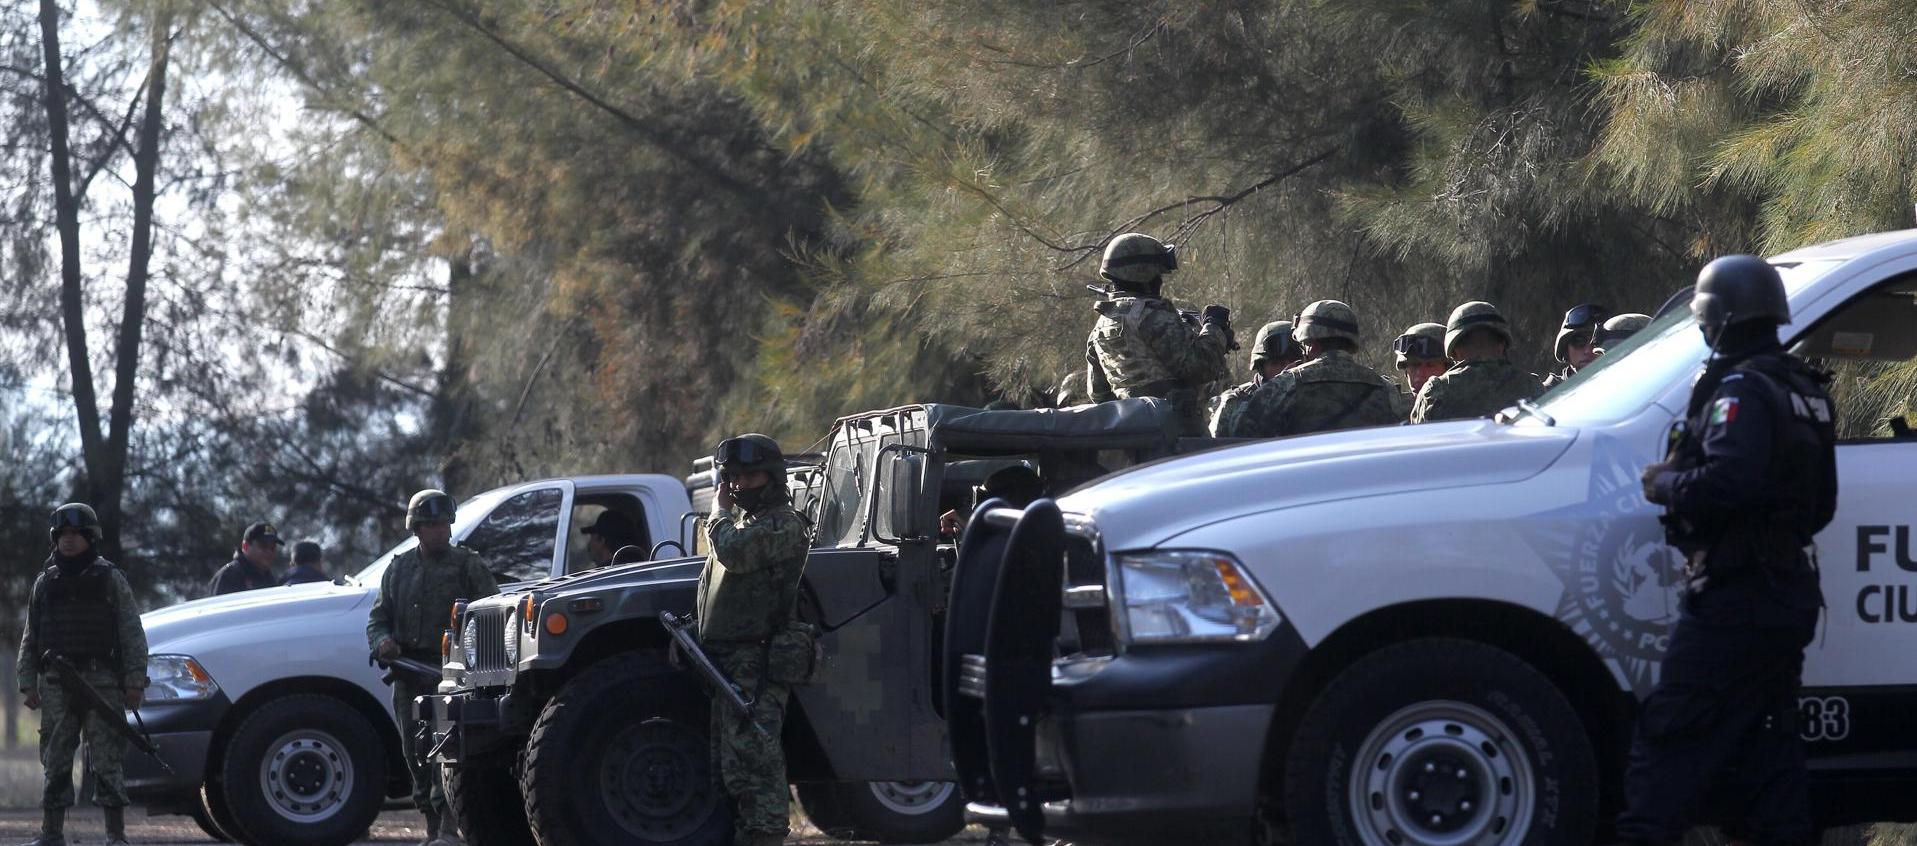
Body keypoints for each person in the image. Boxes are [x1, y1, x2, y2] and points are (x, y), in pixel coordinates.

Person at [1615, 256, 1836, 846]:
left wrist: (1663, 485)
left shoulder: (1740, 389)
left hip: (1736, 596)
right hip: (1788, 592)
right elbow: (1822, 506)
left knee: (1668, 741)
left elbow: (1726, 484)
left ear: (1717, 317)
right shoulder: (1803, 389)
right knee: (1771, 750)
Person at [696, 435, 812, 846]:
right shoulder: (743, 525)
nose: (742, 484)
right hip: (727, 663)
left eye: (751, 474)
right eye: (734, 477)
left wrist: (718, 512)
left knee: (754, 769)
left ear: (773, 476)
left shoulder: (783, 524)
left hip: (757, 663)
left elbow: (733, 553)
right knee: (728, 771)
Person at [367, 490, 498, 846]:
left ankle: (448, 828)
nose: (440, 531)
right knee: (414, 752)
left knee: (448, 749)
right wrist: (382, 642)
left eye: (444, 524)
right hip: (408, 674)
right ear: (417, 528)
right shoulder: (398, 570)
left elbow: (491, 613)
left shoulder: (467, 565)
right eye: (432, 525)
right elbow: (378, 619)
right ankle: (429, 825)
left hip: (451, 674)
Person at [16, 503, 149, 846]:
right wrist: (27, 682)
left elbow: (132, 633)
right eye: (63, 535)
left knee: (107, 759)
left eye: (76, 534)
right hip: (57, 683)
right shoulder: (45, 583)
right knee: (56, 757)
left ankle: (115, 834)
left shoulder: (110, 579)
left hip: (101, 681)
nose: (70, 541)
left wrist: (134, 682)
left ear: (90, 537)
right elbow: (31, 636)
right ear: (55, 539)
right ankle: (51, 833)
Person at [1084, 232, 1233, 436]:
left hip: (1133, 436)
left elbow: (1098, 393)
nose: (1160, 282)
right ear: (1144, 276)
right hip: (1178, 433)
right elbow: (1198, 367)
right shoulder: (1152, 316)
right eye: (1158, 276)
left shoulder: (1100, 326)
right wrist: (1213, 328)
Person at [1224, 300, 1398, 438]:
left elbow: (1239, 434)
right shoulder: (1385, 388)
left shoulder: (1287, 384)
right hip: (1365, 480)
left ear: (1309, 345)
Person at [1410, 301, 1542, 423]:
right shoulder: (1532, 386)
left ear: (1455, 350)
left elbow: (1420, 441)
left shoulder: (1435, 392)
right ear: (1502, 345)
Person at [1209, 320, 1305, 437]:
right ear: (1261, 367)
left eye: (1293, 361)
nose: (1287, 369)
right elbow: (1215, 450)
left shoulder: (1315, 395)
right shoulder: (1234, 403)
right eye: (1277, 363)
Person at [1390, 322, 1449, 417]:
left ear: (1447, 369)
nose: (1421, 373)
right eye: (1415, 365)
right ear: (1405, 370)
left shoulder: (1459, 408)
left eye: (1430, 365)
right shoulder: (1390, 411)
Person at [1542, 303, 1608, 388]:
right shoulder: (1552, 392)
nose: (1588, 350)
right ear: (1566, 351)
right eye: (1579, 342)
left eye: (1598, 342)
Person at [209, 522, 282, 595]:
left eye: (272, 548)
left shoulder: (268, 577)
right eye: (263, 546)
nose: (269, 552)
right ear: (245, 546)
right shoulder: (230, 575)